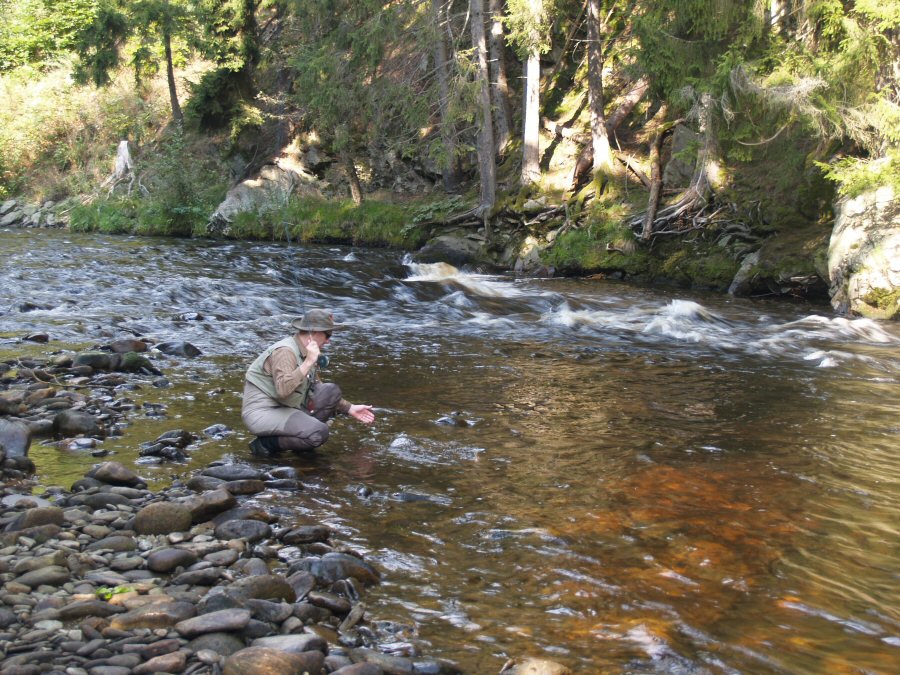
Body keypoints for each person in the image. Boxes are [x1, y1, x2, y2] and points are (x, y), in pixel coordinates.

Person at [242, 309, 375, 454]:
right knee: (319, 433)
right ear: (315, 333)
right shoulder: (285, 352)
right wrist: (309, 362)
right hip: (263, 412)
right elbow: (283, 390)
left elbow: (317, 387)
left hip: (287, 407)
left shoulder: (306, 351)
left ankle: (301, 440)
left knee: (331, 391)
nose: (329, 340)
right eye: (328, 335)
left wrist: (350, 408)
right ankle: (265, 444)